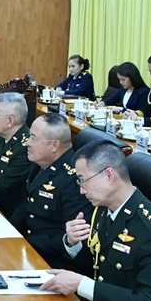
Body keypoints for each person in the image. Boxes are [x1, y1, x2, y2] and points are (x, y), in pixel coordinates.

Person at [41, 141, 151, 301]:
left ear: (109, 175)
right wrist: (73, 244)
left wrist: (82, 284)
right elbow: (97, 268)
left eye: (83, 181)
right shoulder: (103, 211)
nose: (81, 191)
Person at [9, 113, 91, 268]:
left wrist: (23, 243)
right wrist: (7, 232)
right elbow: (27, 205)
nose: (27, 142)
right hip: (26, 247)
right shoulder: (41, 162)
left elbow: (68, 236)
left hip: (50, 260)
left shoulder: (74, 180)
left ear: (54, 145)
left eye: (33, 138)